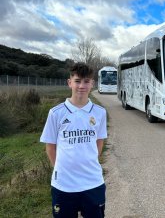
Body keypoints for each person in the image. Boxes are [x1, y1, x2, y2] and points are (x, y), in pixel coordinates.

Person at [40, 62, 107, 218]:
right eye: (77, 81)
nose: (81, 86)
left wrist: (88, 161)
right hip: (64, 185)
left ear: (92, 84)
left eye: (86, 81)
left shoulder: (100, 112)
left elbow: (99, 141)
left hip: (93, 182)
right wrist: (61, 169)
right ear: (69, 83)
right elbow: (50, 146)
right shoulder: (55, 113)